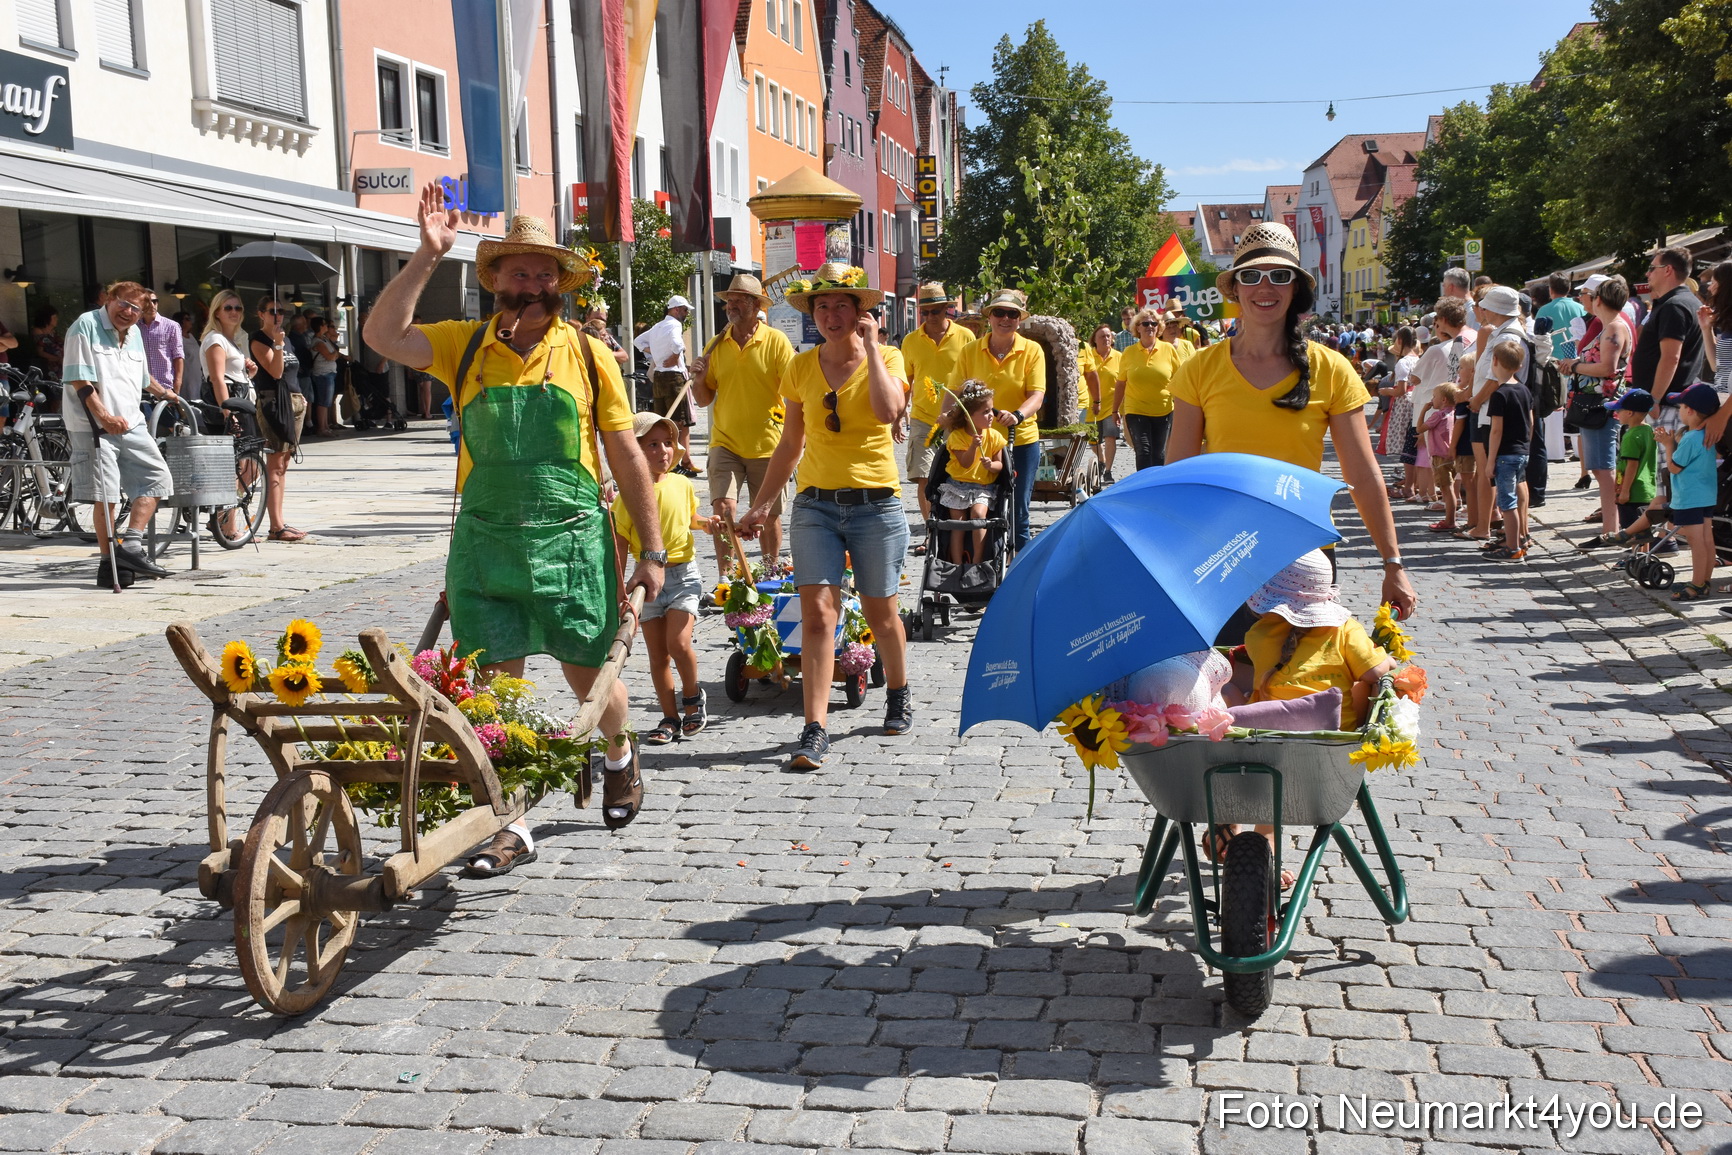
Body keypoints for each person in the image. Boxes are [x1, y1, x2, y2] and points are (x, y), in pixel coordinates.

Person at [364, 187, 666, 867]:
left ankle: (619, 750)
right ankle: (513, 822)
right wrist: (427, 255)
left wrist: (652, 550)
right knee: (495, 688)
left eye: (544, 273)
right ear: (495, 280)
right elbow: (381, 337)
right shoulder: (463, 346)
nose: (532, 284)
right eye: (519, 271)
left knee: (591, 680)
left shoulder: (588, 354)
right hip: (487, 542)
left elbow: (625, 454)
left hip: (571, 542)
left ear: (560, 283)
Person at [1167, 222, 1417, 618]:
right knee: (1227, 661)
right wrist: (1173, 559)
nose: (1265, 287)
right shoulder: (1200, 369)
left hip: (1305, 558)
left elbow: (1363, 473)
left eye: (1279, 276)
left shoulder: (1331, 369)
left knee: (1301, 663)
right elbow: (1177, 477)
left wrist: (1393, 563)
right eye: (1251, 276)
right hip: (1223, 555)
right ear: (1235, 289)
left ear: (1295, 287)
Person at [737, 262, 914, 768]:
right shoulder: (800, 367)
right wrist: (762, 504)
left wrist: (873, 348)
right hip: (815, 505)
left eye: (841, 305)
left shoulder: (890, 357)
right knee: (817, 615)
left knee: (881, 614)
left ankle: (898, 691)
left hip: (876, 505)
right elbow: (790, 443)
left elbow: (888, 411)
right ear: (812, 315)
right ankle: (814, 728)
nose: (831, 315)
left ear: (860, 313)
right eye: (822, 307)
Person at [61, 281, 174, 585]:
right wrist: (105, 418)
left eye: (136, 308)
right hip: (93, 426)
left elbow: (143, 377)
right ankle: (109, 562)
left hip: (132, 422)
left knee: (157, 479)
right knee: (107, 495)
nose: (129, 312)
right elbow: (80, 380)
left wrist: (165, 393)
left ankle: (131, 548)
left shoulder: (135, 333)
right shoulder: (85, 326)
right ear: (110, 299)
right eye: (124, 303)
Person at [615, 411, 713, 746]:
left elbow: (691, 518)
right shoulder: (626, 497)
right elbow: (620, 543)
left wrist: (707, 524)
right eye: (652, 444)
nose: (664, 451)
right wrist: (619, 589)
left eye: (668, 443)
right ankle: (670, 717)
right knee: (658, 656)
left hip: (684, 575)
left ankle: (693, 698)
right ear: (635, 451)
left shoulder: (682, 484)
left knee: (678, 643)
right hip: (646, 583)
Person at [689, 274, 794, 578]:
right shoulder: (715, 345)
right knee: (723, 509)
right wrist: (698, 379)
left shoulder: (776, 341)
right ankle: (727, 577)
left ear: (755, 305)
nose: (730, 306)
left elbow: (793, 390)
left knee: (768, 515)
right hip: (725, 442)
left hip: (768, 444)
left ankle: (770, 573)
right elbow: (704, 399)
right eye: (729, 300)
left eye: (738, 300)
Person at [951, 289, 1045, 552]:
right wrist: (946, 422)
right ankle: (981, 561)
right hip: (978, 441)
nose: (1005, 318)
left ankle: (1020, 564)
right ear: (989, 317)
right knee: (976, 504)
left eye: (1012, 314)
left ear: (1019, 319)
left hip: (1020, 440)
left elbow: (1037, 395)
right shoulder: (970, 351)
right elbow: (955, 393)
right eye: (999, 312)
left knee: (1018, 509)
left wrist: (1017, 415)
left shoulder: (1032, 350)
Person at [1561, 276, 1635, 545]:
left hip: (1602, 406)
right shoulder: (1610, 326)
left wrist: (1575, 365)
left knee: (1604, 468)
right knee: (1599, 467)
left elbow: (1607, 368)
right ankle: (1610, 527)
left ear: (1599, 299)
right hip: (1595, 405)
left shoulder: (1614, 327)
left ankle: (1610, 530)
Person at [900, 282, 972, 549]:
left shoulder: (965, 337)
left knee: (958, 475)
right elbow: (905, 382)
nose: (930, 317)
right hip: (923, 418)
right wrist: (899, 415)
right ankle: (932, 532)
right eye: (925, 312)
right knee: (924, 476)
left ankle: (957, 530)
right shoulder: (911, 341)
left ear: (947, 310)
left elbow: (974, 378)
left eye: (936, 311)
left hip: (958, 418)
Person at [1462, 287, 1529, 542]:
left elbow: (1494, 377)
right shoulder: (1503, 331)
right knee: (1511, 477)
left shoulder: (1507, 335)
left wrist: (1476, 400)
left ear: (1496, 309)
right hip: (1493, 408)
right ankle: (1516, 533)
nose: (1483, 311)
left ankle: (1508, 534)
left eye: (1486, 307)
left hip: (1493, 410)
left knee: (1492, 473)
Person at [249, 297, 308, 542]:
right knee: (274, 463)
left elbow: (292, 373)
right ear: (261, 314)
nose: (278, 316)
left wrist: (300, 396)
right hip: (273, 402)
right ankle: (275, 526)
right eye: (272, 311)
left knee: (284, 463)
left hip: (293, 401)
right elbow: (275, 372)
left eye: (281, 311)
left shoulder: (285, 339)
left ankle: (280, 521)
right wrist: (278, 344)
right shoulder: (260, 339)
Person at [1655, 384, 1721, 600]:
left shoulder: (1691, 438)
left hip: (1690, 496)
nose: (1680, 411)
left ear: (1690, 411)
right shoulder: (1707, 434)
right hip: (1706, 495)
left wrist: (1668, 445)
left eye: (1681, 407)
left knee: (1696, 541)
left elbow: (1674, 467)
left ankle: (1697, 584)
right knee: (1706, 539)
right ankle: (1704, 581)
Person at [936, 380, 1007, 565]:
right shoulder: (957, 436)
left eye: (991, 410)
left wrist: (991, 466)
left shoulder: (994, 436)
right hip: (957, 486)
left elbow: (1000, 465)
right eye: (985, 412)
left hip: (983, 487)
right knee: (958, 523)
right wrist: (973, 447)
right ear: (968, 417)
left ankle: (977, 560)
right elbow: (965, 463)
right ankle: (956, 564)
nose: (991, 416)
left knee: (978, 515)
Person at [634, 295, 698, 476]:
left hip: (659, 377)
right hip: (674, 377)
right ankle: (676, 463)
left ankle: (670, 462)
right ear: (676, 310)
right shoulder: (675, 325)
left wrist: (656, 352)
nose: (686, 313)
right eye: (684, 310)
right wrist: (675, 355)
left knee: (662, 420)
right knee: (677, 422)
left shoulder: (657, 327)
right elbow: (678, 344)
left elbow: (638, 342)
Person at [1114, 306, 1182, 471]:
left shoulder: (1168, 349)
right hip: (1136, 409)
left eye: (1154, 323)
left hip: (1163, 410)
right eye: (1145, 324)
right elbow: (1121, 383)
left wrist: (1183, 407)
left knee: (1158, 454)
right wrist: (1115, 410)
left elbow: (1179, 381)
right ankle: (1142, 484)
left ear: (1158, 327)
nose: (1150, 326)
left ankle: (1157, 485)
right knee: (1143, 451)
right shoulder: (1129, 352)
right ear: (1137, 327)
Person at [1484, 341, 1534, 561]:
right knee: (1512, 499)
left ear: (1495, 361)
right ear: (1519, 365)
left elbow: (1496, 430)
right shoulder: (1524, 389)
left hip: (1505, 454)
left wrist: (1490, 461)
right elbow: (1530, 422)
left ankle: (1513, 548)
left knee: (1507, 503)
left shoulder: (1499, 394)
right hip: (1522, 451)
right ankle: (1518, 541)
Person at [1603, 391, 1657, 547]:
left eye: (1619, 410)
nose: (1616, 413)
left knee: (1632, 529)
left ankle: (1634, 556)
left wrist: (1625, 491)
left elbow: (1632, 464)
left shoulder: (1631, 436)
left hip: (1632, 490)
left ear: (1629, 413)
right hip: (1646, 488)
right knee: (1644, 530)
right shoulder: (1648, 430)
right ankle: (1643, 555)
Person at [1082, 323, 1122, 479]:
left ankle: (1108, 471)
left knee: (1110, 437)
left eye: (1108, 336)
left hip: (1112, 405)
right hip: (1091, 405)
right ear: (1095, 340)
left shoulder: (1119, 357)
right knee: (1093, 440)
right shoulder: (1089, 355)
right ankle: (1102, 459)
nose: (1106, 339)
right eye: (1102, 336)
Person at [136, 289, 184, 405]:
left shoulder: (171, 326)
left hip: (166, 386)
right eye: (148, 302)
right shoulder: (134, 327)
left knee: (168, 417)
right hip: (142, 387)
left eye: (155, 301)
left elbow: (178, 356)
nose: (152, 305)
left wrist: (177, 385)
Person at [1422, 383, 1458, 531]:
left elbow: (1419, 428)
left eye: (1434, 396)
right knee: (1449, 489)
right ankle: (1450, 519)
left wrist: (1423, 410)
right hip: (1450, 455)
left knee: (1446, 490)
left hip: (1439, 456)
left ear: (1443, 400)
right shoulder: (1454, 413)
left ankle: (1450, 521)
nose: (1432, 399)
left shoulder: (1438, 415)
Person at [307, 316, 343, 435]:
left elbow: (335, 353)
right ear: (320, 326)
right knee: (323, 401)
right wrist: (334, 354)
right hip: (323, 374)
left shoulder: (325, 339)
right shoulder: (318, 342)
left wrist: (334, 354)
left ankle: (326, 426)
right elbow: (330, 356)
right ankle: (322, 428)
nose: (327, 326)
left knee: (327, 401)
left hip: (329, 373)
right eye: (325, 324)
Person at [584, 303, 629, 369]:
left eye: (603, 320)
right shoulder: (581, 335)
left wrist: (607, 353)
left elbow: (624, 356)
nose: (600, 322)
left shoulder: (607, 337)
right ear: (587, 318)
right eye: (596, 319)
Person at [177, 310, 205, 403]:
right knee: (190, 398)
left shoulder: (191, 336)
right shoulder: (178, 337)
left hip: (197, 373)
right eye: (187, 319)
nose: (190, 322)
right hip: (187, 375)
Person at [31, 307, 62, 377]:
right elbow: (40, 352)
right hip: (49, 367)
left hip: (61, 364)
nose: (57, 319)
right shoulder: (38, 331)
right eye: (54, 317)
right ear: (46, 318)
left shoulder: (54, 332)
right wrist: (58, 359)